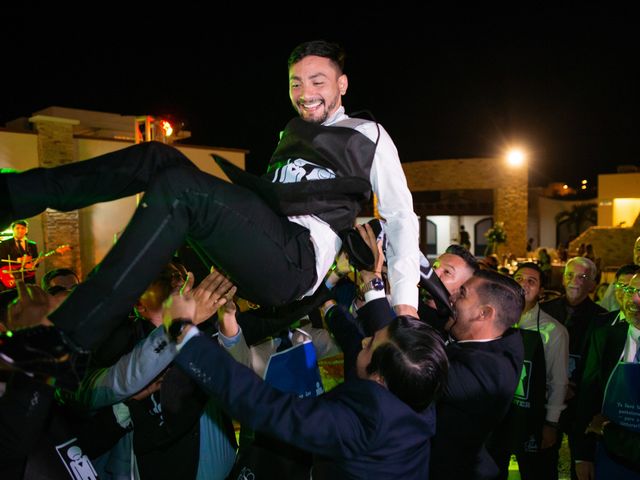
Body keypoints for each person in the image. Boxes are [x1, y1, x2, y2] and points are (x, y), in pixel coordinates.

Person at [0, 39, 420, 387]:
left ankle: (66, 340)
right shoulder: (291, 132)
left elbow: (401, 215)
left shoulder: (368, 134)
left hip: (298, 261)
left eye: (317, 81)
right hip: (267, 241)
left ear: (342, 84)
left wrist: (404, 303)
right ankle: (11, 196)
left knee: (182, 188)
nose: (305, 92)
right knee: (157, 157)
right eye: (296, 83)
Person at [164, 222, 449, 479]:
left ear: (379, 379)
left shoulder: (356, 425)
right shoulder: (417, 385)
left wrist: (183, 332)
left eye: (371, 344)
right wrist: (367, 278)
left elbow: (261, 404)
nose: (364, 340)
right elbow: (359, 338)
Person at [429, 268, 526, 480]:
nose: (452, 296)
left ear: (484, 313)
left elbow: (414, 369)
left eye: (462, 293)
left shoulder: (490, 371)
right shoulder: (489, 340)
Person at [488, 262, 569, 480]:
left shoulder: (554, 332)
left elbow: (558, 381)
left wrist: (551, 423)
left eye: (531, 281)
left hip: (532, 416)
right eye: (519, 278)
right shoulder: (493, 320)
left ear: (541, 291)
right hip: (497, 417)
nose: (523, 284)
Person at [540, 256, 608, 479]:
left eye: (583, 277)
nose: (575, 281)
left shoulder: (602, 318)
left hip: (582, 400)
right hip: (547, 396)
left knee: (581, 464)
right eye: (570, 275)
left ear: (593, 284)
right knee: (544, 458)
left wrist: (574, 386)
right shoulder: (544, 311)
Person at [573, 272, 640, 479]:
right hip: (608, 457)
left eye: (639, 292)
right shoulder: (605, 337)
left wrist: (606, 429)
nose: (631, 298)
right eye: (629, 290)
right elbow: (588, 396)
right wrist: (583, 455)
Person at [0, 219, 38, 290]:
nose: (20, 230)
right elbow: (1, 261)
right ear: (13, 229)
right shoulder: (4, 244)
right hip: (10, 279)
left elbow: (36, 262)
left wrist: (33, 265)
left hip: (28, 280)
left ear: (26, 230)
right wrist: (17, 260)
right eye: (17, 228)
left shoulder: (32, 244)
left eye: (23, 228)